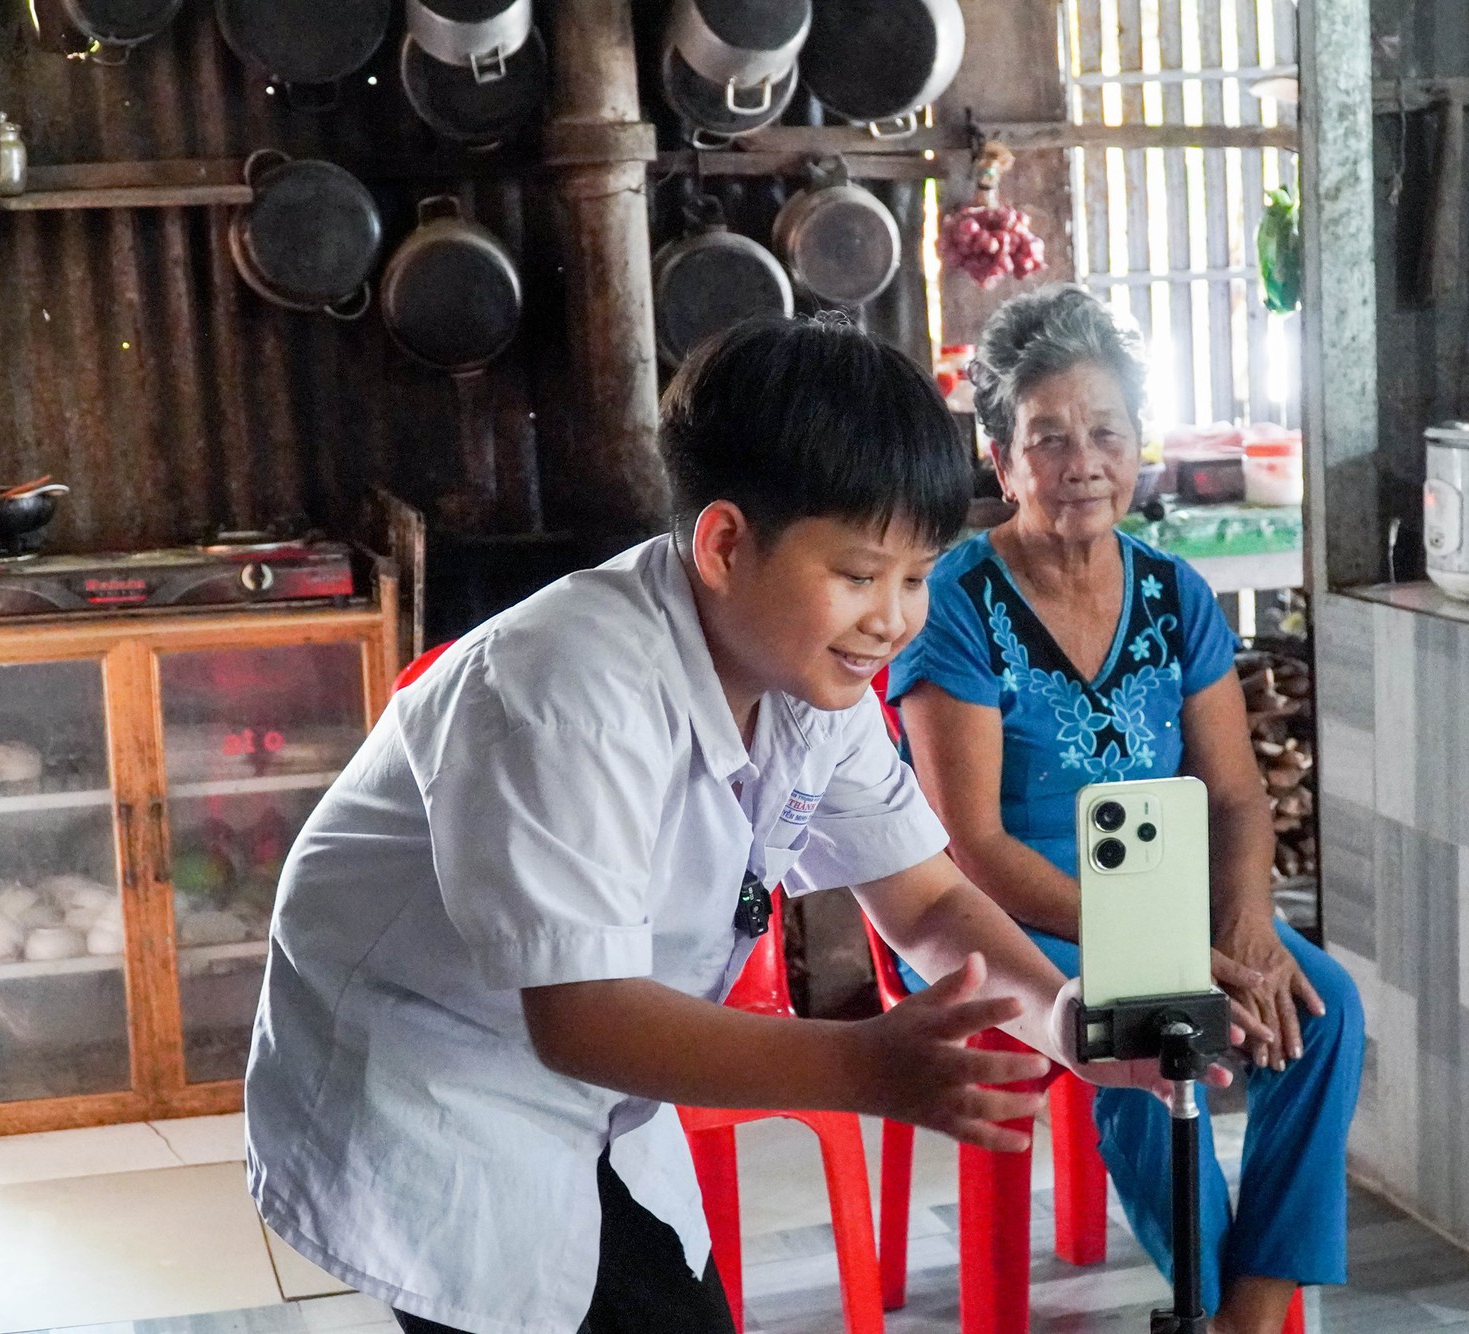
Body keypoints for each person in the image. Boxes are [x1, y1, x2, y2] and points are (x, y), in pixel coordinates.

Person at [243, 317, 1212, 1334]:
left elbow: (923, 896)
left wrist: (1067, 1021)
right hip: (429, 1077)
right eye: (857, 573)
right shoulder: (568, 687)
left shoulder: (808, 677)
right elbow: (583, 1015)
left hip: (587, 1077)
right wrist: (863, 1065)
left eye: (916, 576)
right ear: (722, 544)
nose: (890, 616)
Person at [887, 285, 1364, 1334]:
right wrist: (1158, 947)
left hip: (1160, 898)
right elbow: (971, 846)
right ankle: (1200, 1297)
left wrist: (1238, 924)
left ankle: (1246, 1308)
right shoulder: (956, 606)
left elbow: (1235, 794)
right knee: (1149, 1035)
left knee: (1322, 1009)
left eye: (1104, 431)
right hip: (1005, 915)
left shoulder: (1171, 592)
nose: (1081, 461)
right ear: (1000, 457)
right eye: (1046, 436)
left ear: (1137, 443)